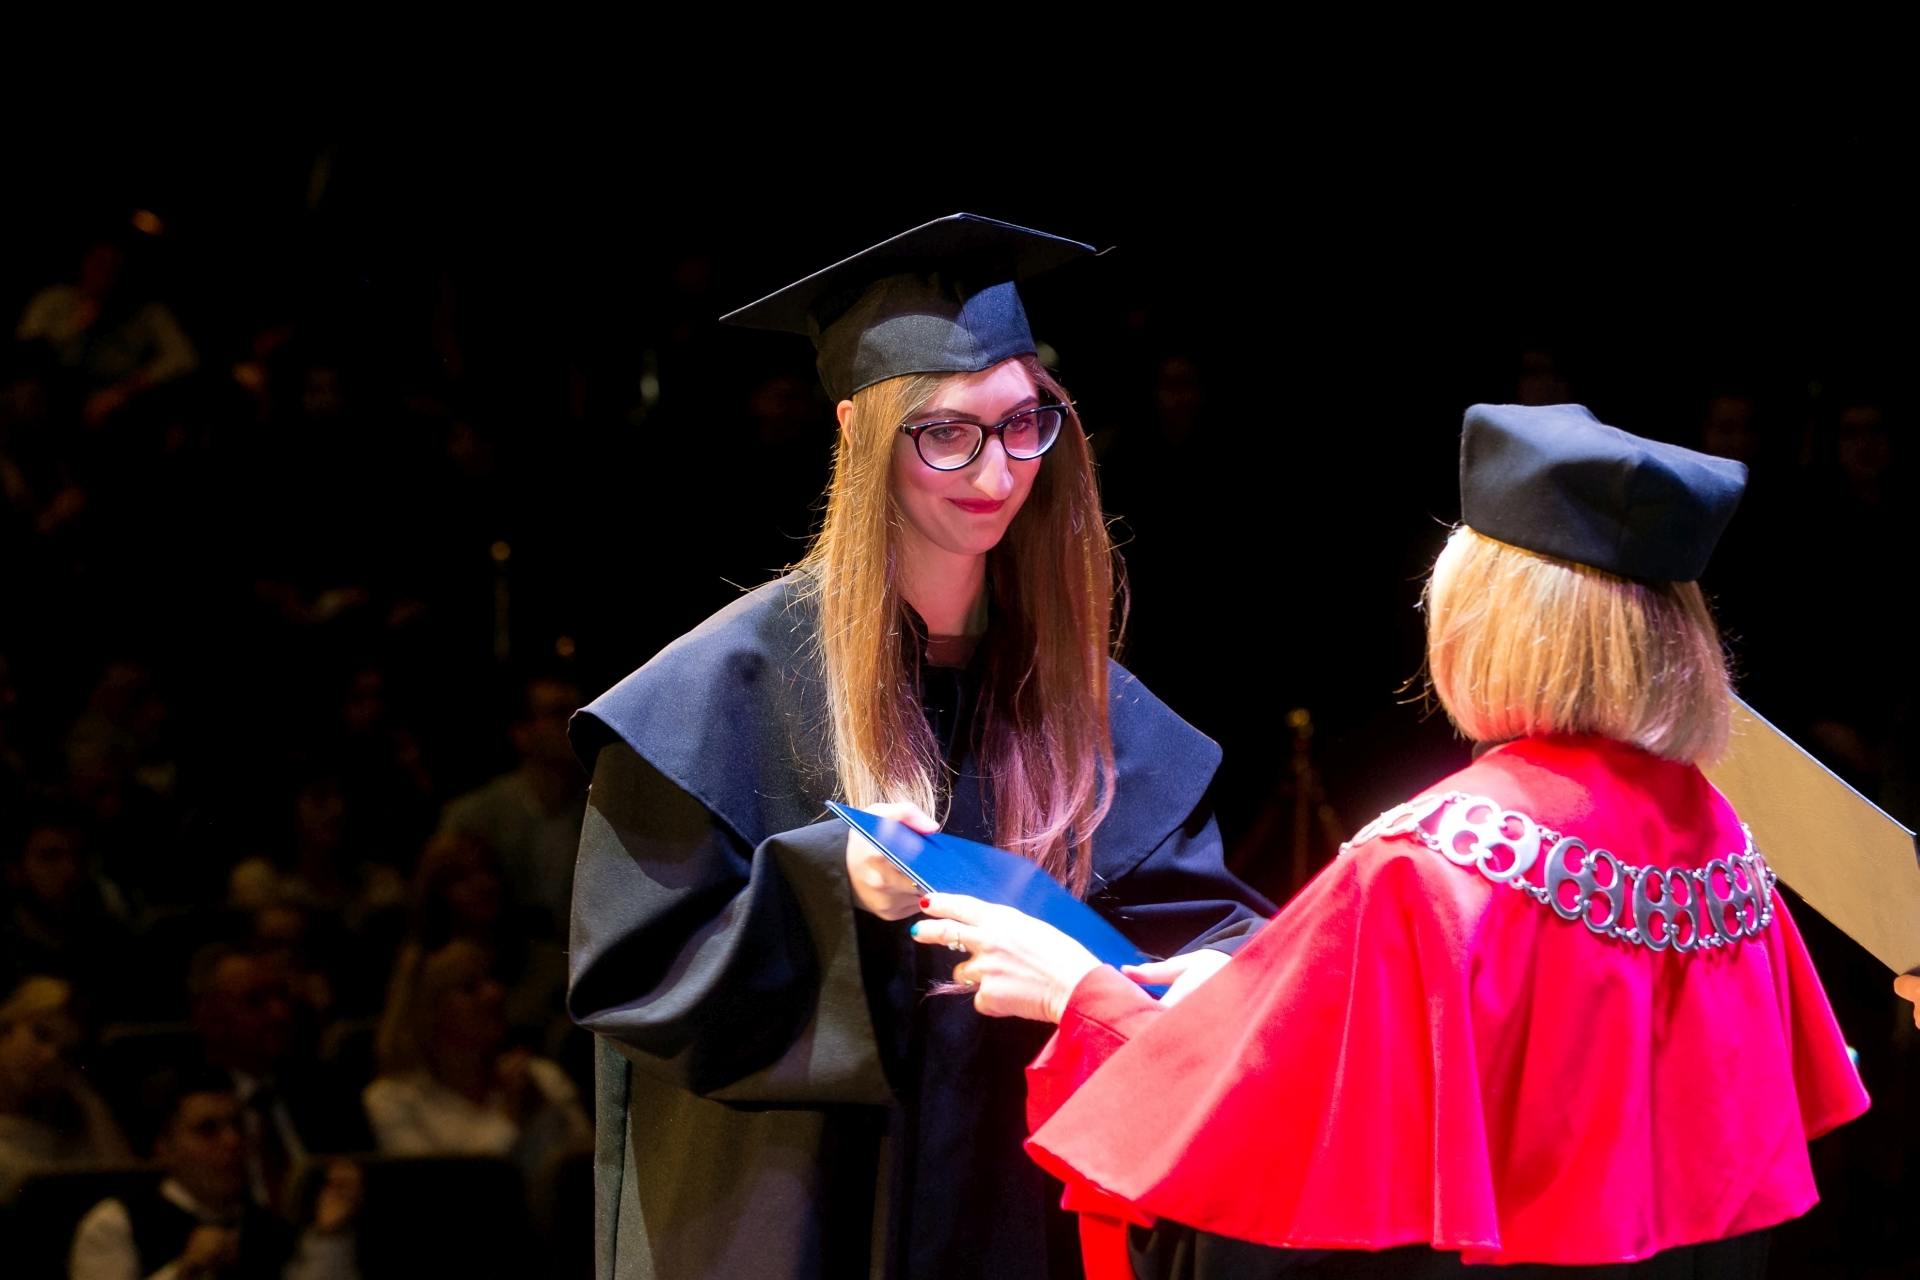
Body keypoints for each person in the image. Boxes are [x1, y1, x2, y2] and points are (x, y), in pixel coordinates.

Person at [921, 403, 1872, 1277]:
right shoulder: (1720, 845)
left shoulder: (1430, 867)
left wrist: (1082, 996)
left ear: (1486, 616)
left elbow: (1270, 1195)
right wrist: (1248, 998)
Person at [566, 214, 1270, 1279]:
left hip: (1015, 1213)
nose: (996, 473)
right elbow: (638, 980)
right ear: (857, 428)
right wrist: (830, 882)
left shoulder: (1088, 706)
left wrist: (1204, 975)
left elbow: (1204, 939)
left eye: (1023, 423)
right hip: (793, 1221)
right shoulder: (723, 690)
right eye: (946, 433)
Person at [68, 1066, 362, 1280]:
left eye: (237, 1126)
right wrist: (184, 1270)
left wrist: (331, 1235)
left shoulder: (268, 1228)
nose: (232, 1142)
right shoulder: (116, 1224)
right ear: (164, 1148)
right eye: (207, 1130)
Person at [362, 938, 588, 1183]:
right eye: (470, 988)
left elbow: (588, 1173)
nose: (494, 992)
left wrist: (544, 1114)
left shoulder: (542, 1076)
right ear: (427, 1012)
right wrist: (510, 1119)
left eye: (492, 979)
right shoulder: (394, 1100)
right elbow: (439, 1191)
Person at [188, 947, 369, 1212]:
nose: (279, 1012)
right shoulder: (184, 1099)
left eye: (283, 996)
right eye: (255, 1000)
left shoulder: (329, 1089)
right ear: (207, 1015)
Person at [438, 677, 587, 932]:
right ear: (521, 733)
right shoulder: (474, 818)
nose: (576, 723)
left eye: (581, 712)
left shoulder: (602, 814)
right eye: (558, 713)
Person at [0, 975, 131, 1184]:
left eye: (65, 1053)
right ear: (6, 1028)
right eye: (41, 1035)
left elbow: (123, 1184)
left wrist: (89, 1100)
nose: (49, 1057)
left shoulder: (64, 1133)